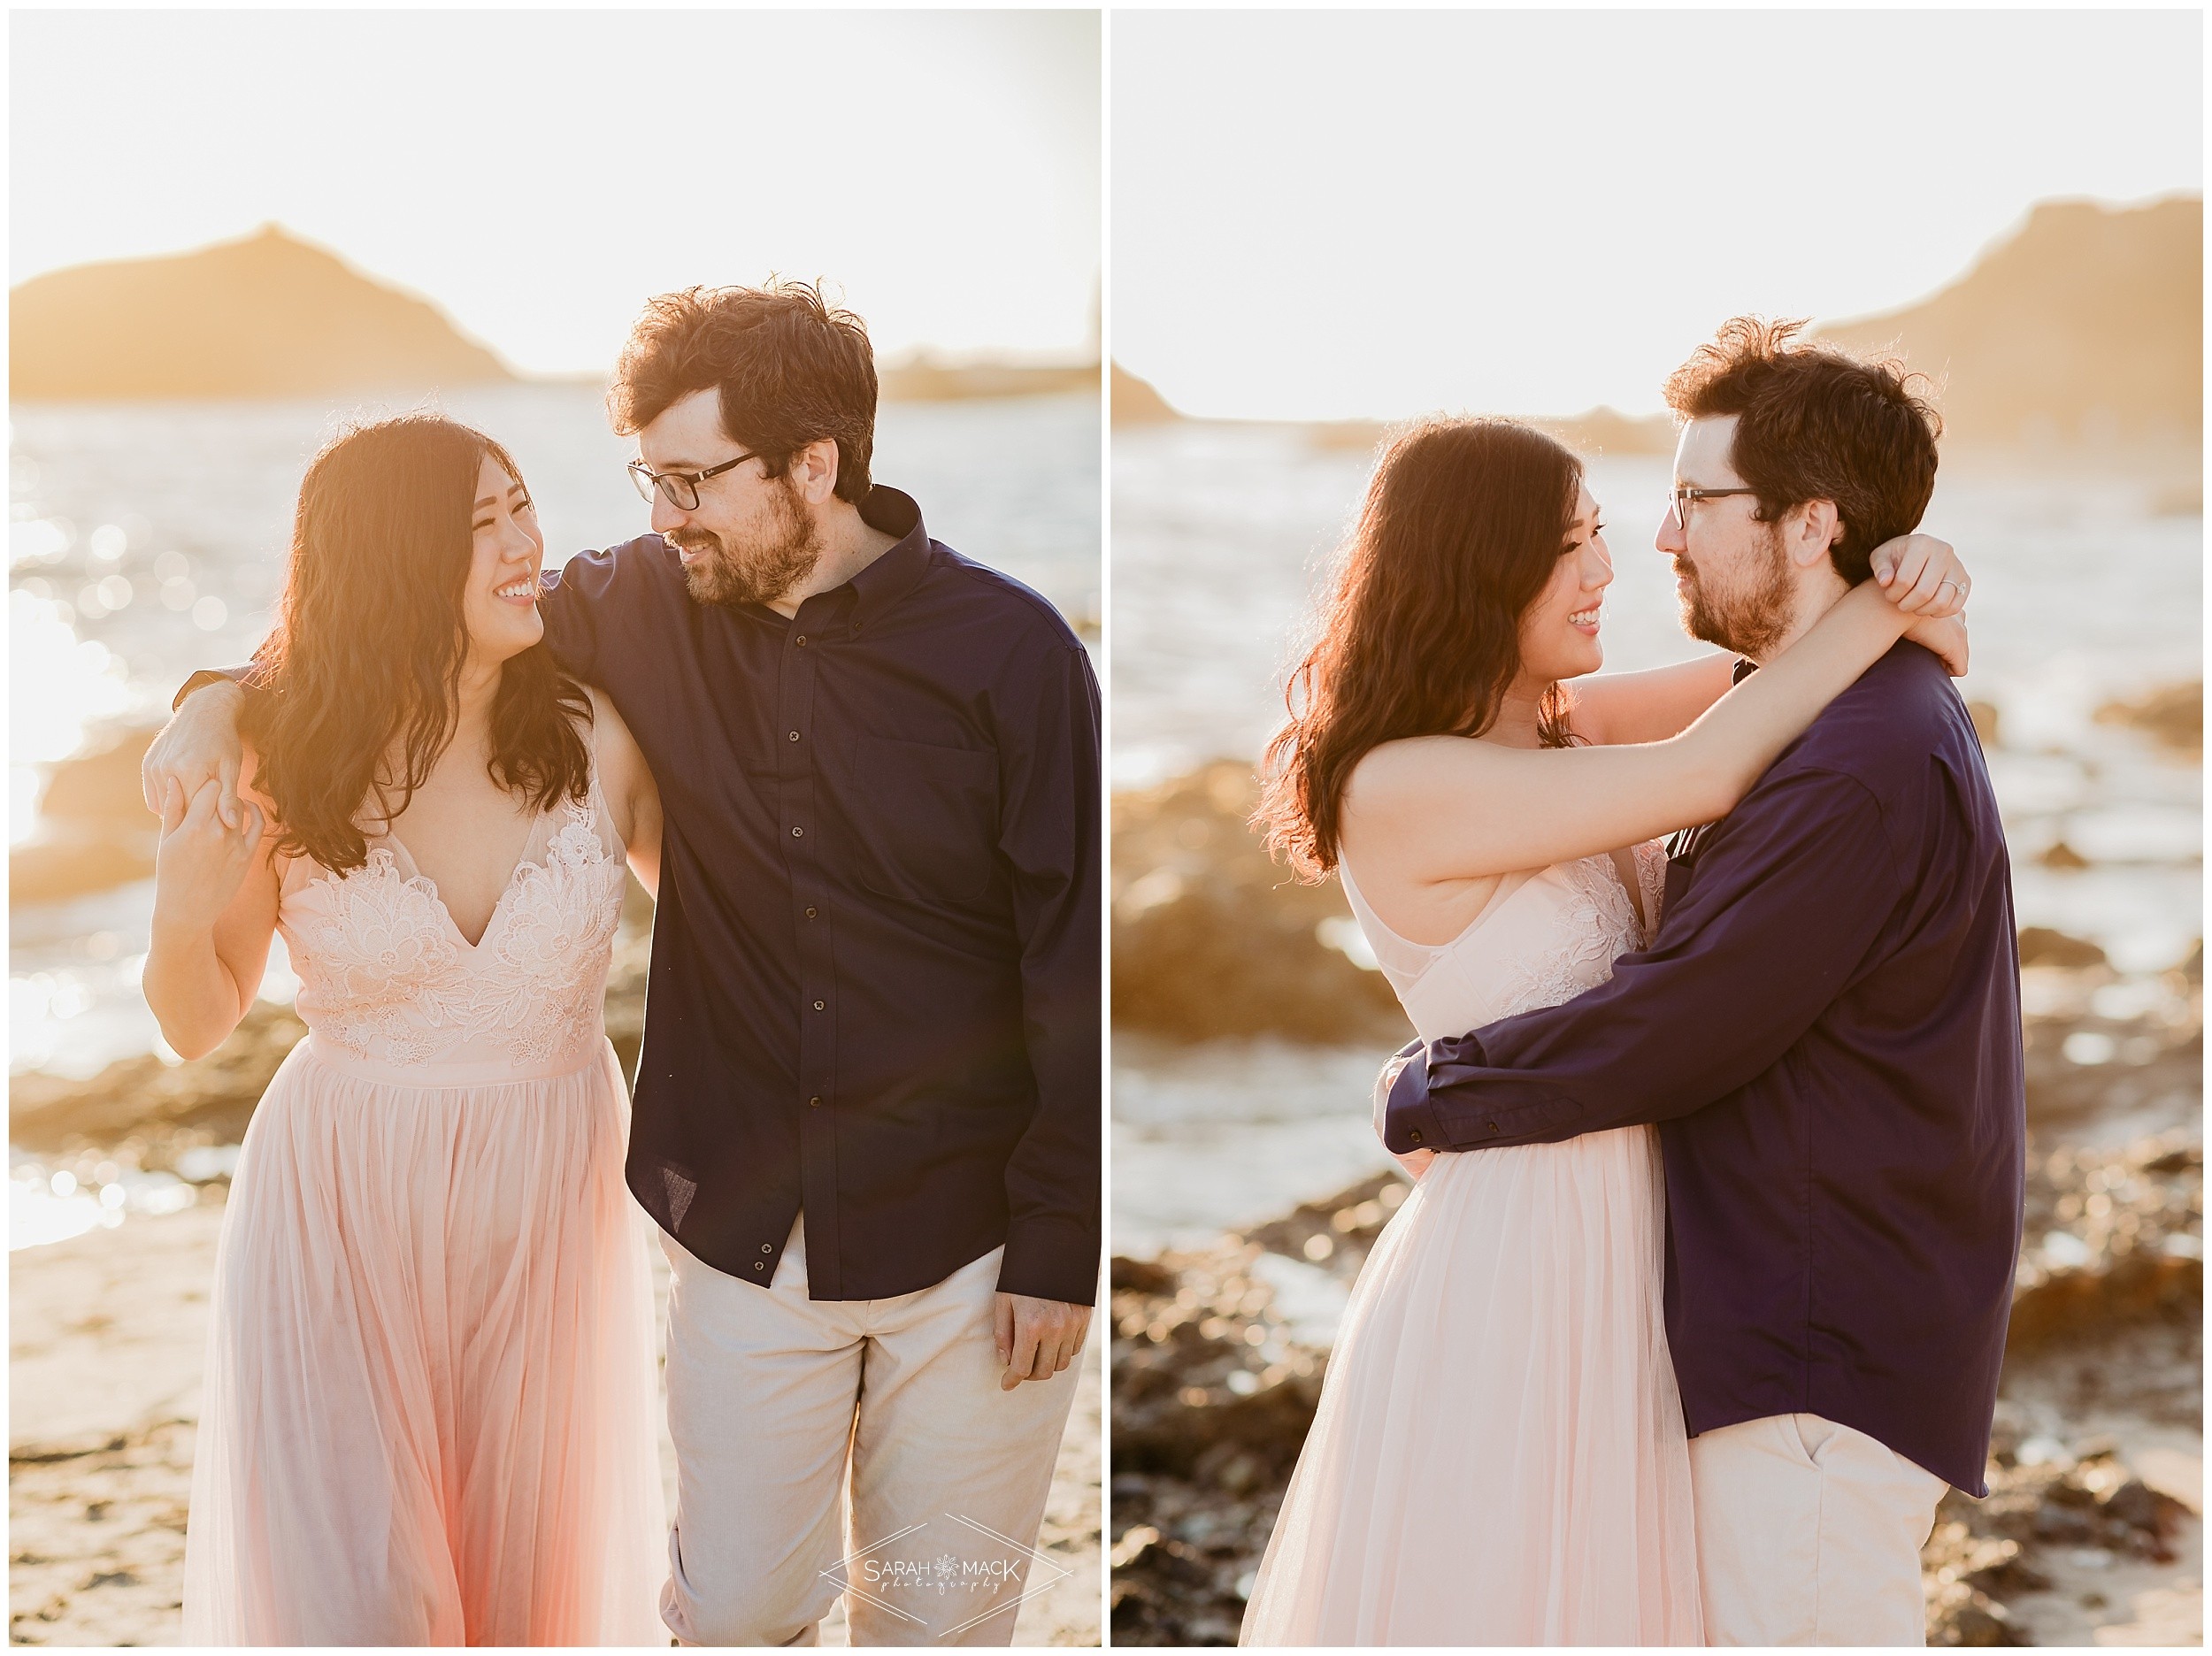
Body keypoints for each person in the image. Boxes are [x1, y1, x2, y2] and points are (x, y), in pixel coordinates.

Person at [145, 280, 1102, 1646]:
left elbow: (1071, 959)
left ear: (811, 467)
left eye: (692, 480)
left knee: (941, 1619)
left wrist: (1062, 1238)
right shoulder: (641, 607)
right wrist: (212, 703)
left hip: (955, 1237)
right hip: (711, 1224)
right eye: (643, 480)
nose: (656, 517)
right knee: (717, 1619)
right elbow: (354, 622)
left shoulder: (1010, 654)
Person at [1240, 331, 1981, 1644]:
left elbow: (1772, 672)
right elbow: (1721, 756)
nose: (1616, 562)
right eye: (1571, 541)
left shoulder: (1560, 730)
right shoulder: (1403, 783)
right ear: (1482, 569)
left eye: (1632, 521)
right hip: (1529, 1248)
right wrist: (1881, 599)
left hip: (1654, 1251)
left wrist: (1924, 585)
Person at [150, 416, 667, 1644]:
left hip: (553, 1203)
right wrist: (177, 905)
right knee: (362, 1606)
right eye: (477, 524)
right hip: (338, 1207)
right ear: (390, 560)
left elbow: (744, 929)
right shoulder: (286, 757)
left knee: (534, 1606)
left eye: (522, 507)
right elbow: (193, 1022)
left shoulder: (602, 735)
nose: (523, 543)